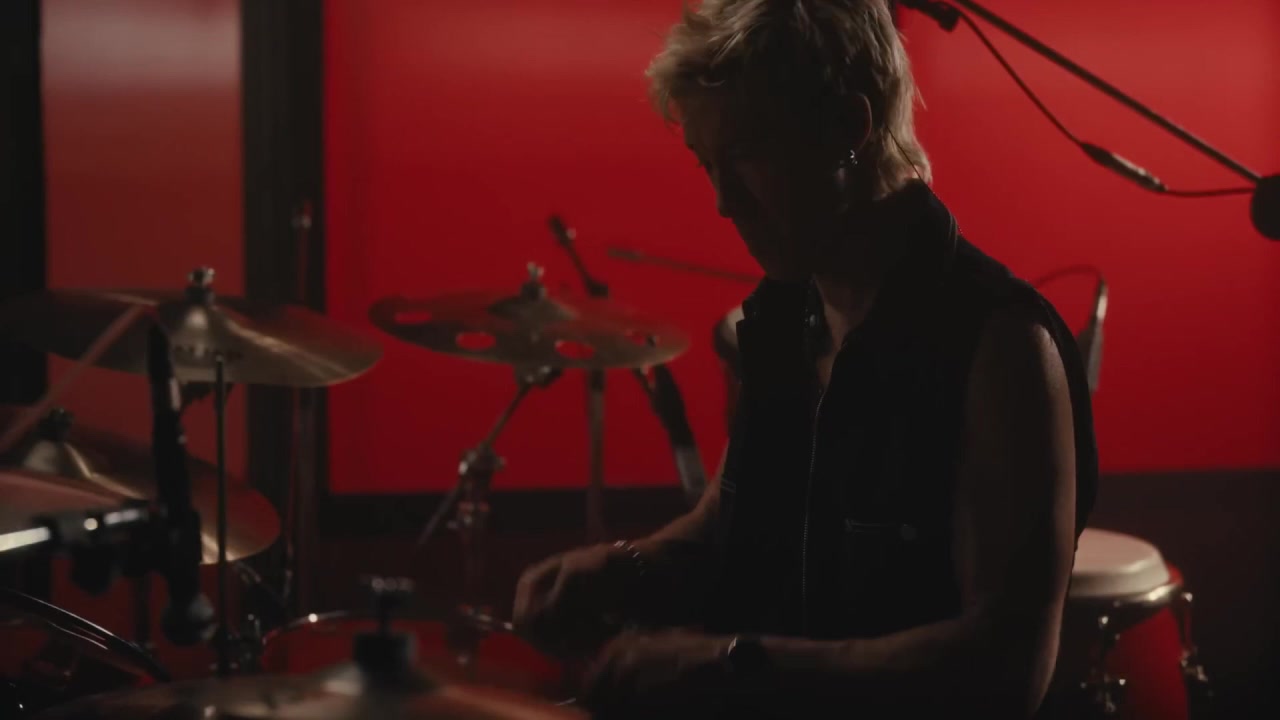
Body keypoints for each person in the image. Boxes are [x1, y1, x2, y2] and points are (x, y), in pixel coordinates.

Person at [513, 1, 1098, 717]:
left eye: (746, 155)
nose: (723, 201)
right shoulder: (779, 316)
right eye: (706, 164)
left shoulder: (1002, 347)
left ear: (849, 127)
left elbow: (1006, 668)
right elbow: (731, 523)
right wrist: (620, 569)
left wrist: (732, 668)